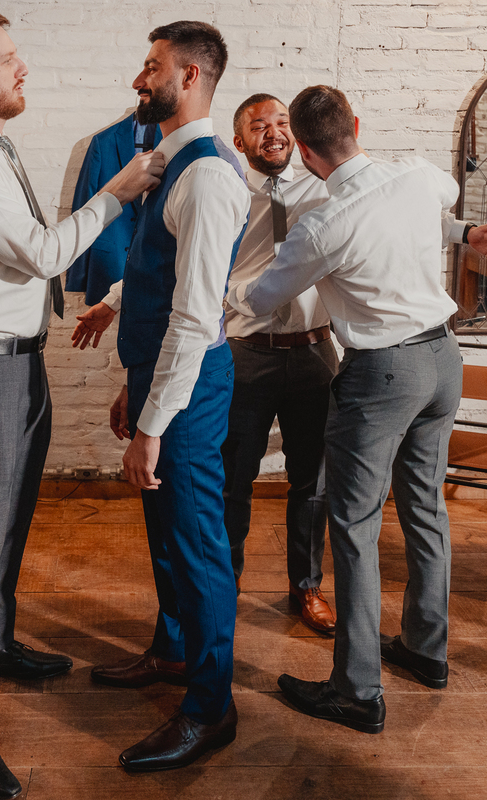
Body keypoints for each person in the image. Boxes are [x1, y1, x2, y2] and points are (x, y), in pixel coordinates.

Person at [0, 9, 163, 798]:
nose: (22, 68)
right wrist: (118, 191)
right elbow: (46, 253)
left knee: (10, 519)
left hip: (17, 362)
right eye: (7, 58)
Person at [227, 85, 487, 734]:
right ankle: (426, 649)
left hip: (383, 372)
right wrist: (465, 231)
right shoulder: (415, 175)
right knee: (424, 508)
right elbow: (438, 202)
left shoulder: (322, 225)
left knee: (354, 525)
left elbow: (264, 296)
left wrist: (216, 288)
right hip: (443, 360)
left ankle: (357, 690)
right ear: (356, 124)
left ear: (304, 152)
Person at [87, 21, 249, 772]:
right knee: (165, 530)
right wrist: (115, 310)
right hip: (158, 372)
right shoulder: (167, 161)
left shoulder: (209, 176)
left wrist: (154, 423)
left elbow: (195, 315)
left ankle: (211, 708)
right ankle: (174, 649)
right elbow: (160, 273)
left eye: (150, 67)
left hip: (190, 384)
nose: (137, 80)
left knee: (197, 542)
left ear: (188, 76)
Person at [220, 93, 338, 632]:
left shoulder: (326, 188)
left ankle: (306, 586)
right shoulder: (225, 191)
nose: (273, 132)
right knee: (233, 477)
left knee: (313, 481)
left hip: (314, 353)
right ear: (239, 140)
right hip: (246, 353)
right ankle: (224, 583)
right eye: (258, 125)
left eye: (281, 122)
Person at [65, 112, 160, 304]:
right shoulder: (103, 142)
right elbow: (85, 202)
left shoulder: (174, 143)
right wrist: (78, 276)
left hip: (157, 264)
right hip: (109, 263)